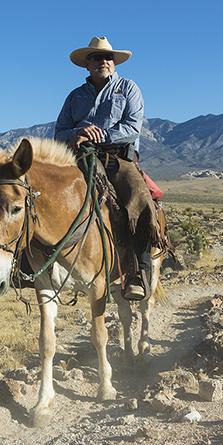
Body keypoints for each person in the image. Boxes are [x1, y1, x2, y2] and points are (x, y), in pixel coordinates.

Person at [55, 36, 158, 300]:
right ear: (87, 64)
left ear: (114, 63)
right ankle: (29, 264)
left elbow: (133, 127)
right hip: (79, 158)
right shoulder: (74, 96)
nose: (104, 62)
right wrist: (76, 133)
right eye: (98, 58)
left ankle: (139, 273)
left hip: (118, 159)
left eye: (108, 58)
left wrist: (97, 134)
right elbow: (59, 133)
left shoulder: (128, 88)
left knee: (140, 199)